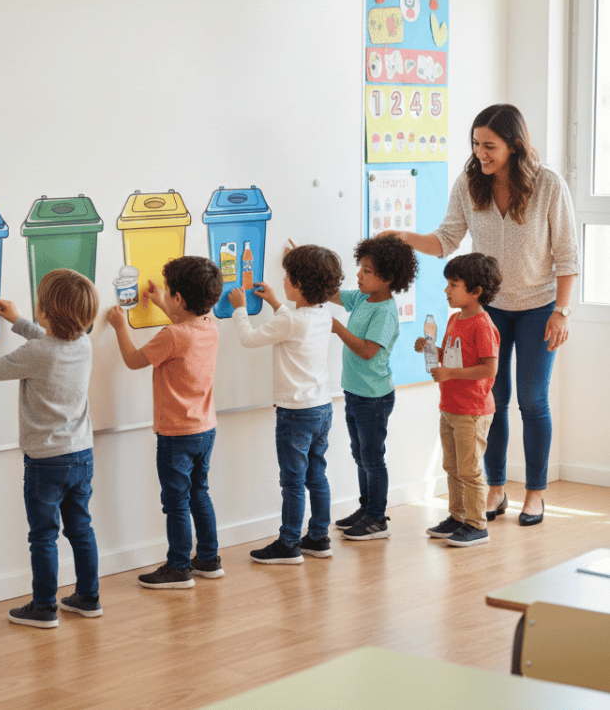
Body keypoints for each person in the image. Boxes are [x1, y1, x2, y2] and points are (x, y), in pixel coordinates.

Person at [384, 104, 579, 525]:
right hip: (489, 309)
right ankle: (495, 489)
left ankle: (536, 492)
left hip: (538, 307)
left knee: (532, 398)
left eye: (490, 146)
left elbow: (567, 254)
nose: (481, 154)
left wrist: (561, 311)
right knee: (492, 398)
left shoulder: (548, 184)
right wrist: (402, 237)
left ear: (515, 145)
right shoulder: (470, 183)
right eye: (475, 144)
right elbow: (445, 240)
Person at [0, 269, 101, 628]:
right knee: (81, 529)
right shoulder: (83, 343)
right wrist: (18, 321)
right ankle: (89, 598)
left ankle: (44, 608)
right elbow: (49, 339)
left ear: (46, 310)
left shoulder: (38, 352)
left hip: (46, 462)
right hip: (81, 456)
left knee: (44, 535)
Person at [108, 256, 223, 589]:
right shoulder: (209, 326)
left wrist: (120, 326)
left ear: (180, 300)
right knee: (199, 494)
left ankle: (178, 568)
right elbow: (183, 323)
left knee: (176, 502)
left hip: (176, 434)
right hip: (205, 428)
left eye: (170, 291)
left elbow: (132, 361)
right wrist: (161, 300)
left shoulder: (172, 335)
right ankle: (209, 559)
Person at [229, 244, 343, 564]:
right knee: (316, 475)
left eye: (287, 277)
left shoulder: (293, 321)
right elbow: (294, 325)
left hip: (295, 413)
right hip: (322, 408)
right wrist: (276, 302)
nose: (284, 280)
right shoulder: (322, 314)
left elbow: (250, 338)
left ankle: (289, 543)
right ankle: (318, 537)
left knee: (292, 481)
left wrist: (240, 308)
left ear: (300, 284)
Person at [332, 234, 418, 540]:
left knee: (371, 457)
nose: (359, 275)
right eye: (362, 268)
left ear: (387, 278)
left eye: (366, 271)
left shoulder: (385, 312)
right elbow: (335, 295)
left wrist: (338, 328)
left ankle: (376, 519)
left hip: (374, 398)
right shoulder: (363, 298)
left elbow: (368, 350)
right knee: (360, 454)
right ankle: (367, 508)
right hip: (356, 393)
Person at [415, 253, 501, 547]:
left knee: (470, 469)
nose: (447, 290)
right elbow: (455, 357)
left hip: (472, 410)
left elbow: (489, 368)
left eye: (453, 284)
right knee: (452, 467)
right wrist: (433, 350)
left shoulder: (482, 324)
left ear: (475, 291)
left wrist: (449, 371)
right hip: (450, 406)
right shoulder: (454, 319)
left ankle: (477, 524)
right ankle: (458, 516)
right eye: (447, 284)